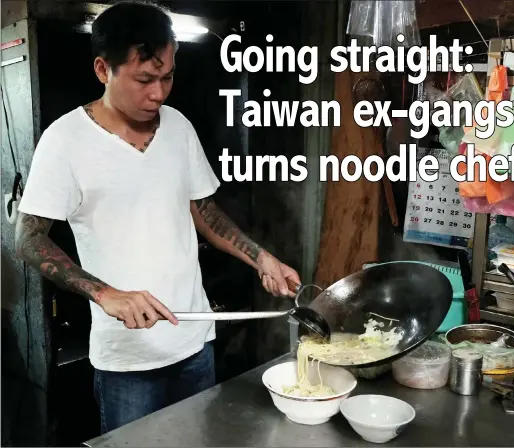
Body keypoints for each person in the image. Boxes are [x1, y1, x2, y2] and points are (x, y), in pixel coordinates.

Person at [15, 0, 301, 434]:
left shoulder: (178, 127)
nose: (159, 93)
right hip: (127, 361)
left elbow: (203, 210)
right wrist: (104, 293)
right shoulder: (65, 140)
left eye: (167, 76)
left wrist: (261, 258)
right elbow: (27, 239)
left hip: (195, 345)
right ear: (102, 70)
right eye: (144, 79)